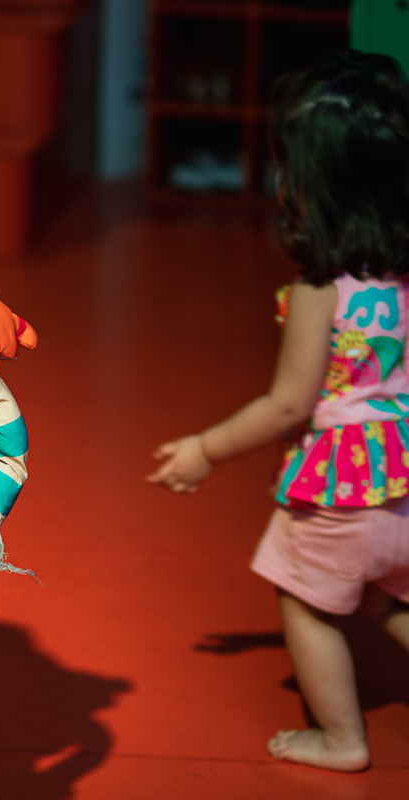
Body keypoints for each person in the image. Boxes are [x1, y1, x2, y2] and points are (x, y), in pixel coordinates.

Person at [147, 50, 409, 772]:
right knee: (392, 598)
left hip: (346, 486)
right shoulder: (401, 273)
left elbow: (289, 402)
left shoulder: (321, 288)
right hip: (404, 472)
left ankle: (342, 739)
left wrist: (206, 448)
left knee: (305, 600)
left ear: (309, 186)